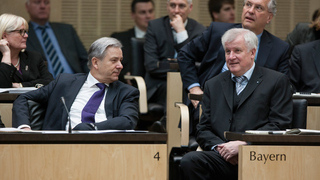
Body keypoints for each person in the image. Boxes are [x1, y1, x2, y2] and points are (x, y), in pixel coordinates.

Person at [180, 28, 293, 180]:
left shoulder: (276, 81)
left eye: (237, 51)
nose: (231, 57)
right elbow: (203, 128)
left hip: (260, 155)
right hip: (222, 156)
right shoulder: (213, 84)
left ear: (252, 53)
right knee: (189, 161)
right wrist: (222, 148)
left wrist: (244, 145)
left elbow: (279, 125)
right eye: (227, 51)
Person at [178, 0, 289, 136]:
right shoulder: (217, 31)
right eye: (248, 4)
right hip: (210, 110)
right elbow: (184, 54)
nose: (250, 11)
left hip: (252, 119)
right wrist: (194, 87)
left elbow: (282, 89)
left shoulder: (279, 49)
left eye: (258, 8)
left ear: (269, 17)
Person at [12, 37, 139, 131]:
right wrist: (24, 127)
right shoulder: (64, 82)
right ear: (95, 63)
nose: (120, 66)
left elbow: (127, 121)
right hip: (59, 147)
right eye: (114, 60)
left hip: (104, 147)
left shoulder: (126, 92)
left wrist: (91, 128)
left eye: (121, 60)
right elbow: (23, 98)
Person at [144, 0, 206, 131]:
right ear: (167, 7)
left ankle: (169, 126)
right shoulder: (155, 27)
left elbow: (200, 66)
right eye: (172, 5)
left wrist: (181, 33)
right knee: (176, 85)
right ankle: (173, 129)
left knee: (187, 86)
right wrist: (182, 66)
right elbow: (151, 65)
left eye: (181, 6)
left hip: (186, 84)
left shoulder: (200, 30)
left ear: (190, 8)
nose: (176, 10)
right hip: (159, 85)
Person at [25, 0, 89, 78]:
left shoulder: (66, 30)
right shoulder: (23, 34)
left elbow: (85, 60)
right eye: (37, 2)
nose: (43, 6)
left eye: (46, 3)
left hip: (77, 81)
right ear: (27, 6)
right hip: (46, 86)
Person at [0, 13, 53, 88]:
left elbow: (50, 81)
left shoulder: (34, 57)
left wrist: (21, 85)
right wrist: (6, 54)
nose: (26, 36)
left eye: (25, 32)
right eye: (20, 32)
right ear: (5, 36)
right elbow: (2, 87)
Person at [111, 0, 155, 84]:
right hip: (127, 86)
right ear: (133, 15)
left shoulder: (163, 38)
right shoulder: (119, 39)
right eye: (143, 12)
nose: (148, 16)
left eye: (150, 11)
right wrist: (124, 75)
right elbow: (110, 66)